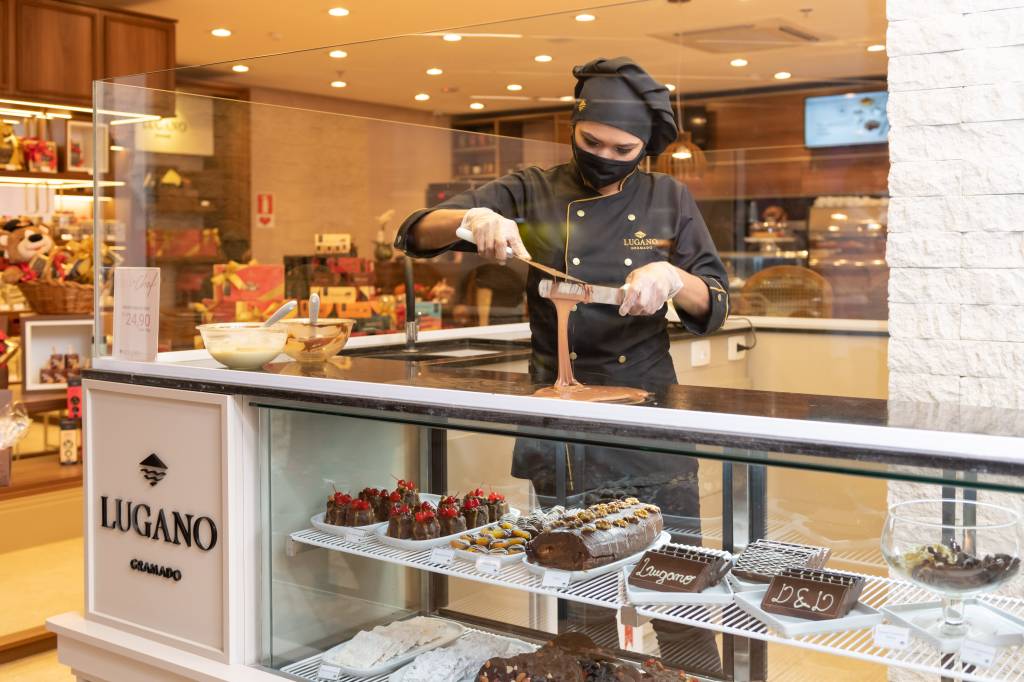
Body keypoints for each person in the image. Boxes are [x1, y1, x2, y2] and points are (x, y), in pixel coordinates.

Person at [395, 57, 728, 675]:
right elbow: (417, 231)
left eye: (621, 147)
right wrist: (470, 219)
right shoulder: (532, 188)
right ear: (573, 129)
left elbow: (716, 303)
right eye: (590, 141)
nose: (604, 154)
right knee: (581, 597)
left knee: (679, 589)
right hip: (561, 417)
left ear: (645, 147)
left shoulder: (668, 197)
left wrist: (674, 277)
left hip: (649, 418)